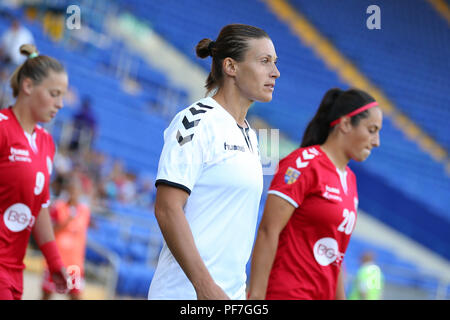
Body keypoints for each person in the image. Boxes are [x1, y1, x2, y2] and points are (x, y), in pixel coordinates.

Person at [148, 23, 280, 300]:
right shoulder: (195, 121)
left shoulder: (254, 137)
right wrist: (204, 285)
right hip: (185, 293)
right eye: (264, 61)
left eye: (275, 63)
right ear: (231, 66)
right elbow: (167, 208)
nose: (275, 72)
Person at [248, 88, 383, 300]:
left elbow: (336, 256)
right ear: (346, 124)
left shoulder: (350, 180)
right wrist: (255, 298)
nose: (376, 142)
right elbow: (267, 231)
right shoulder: (303, 163)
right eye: (371, 130)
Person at [0, 44, 69, 300]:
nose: (60, 104)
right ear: (28, 87)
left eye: (62, 95)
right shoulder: (2, 129)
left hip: (15, 272)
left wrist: (54, 262)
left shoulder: (46, 143)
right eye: (54, 94)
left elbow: (39, 206)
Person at [41, 174, 91, 300]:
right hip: (56, 260)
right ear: (67, 190)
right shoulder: (58, 207)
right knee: (46, 295)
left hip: (75, 263)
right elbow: (50, 230)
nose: (73, 193)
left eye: (76, 190)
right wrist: (66, 222)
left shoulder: (85, 211)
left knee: (75, 295)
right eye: (71, 189)